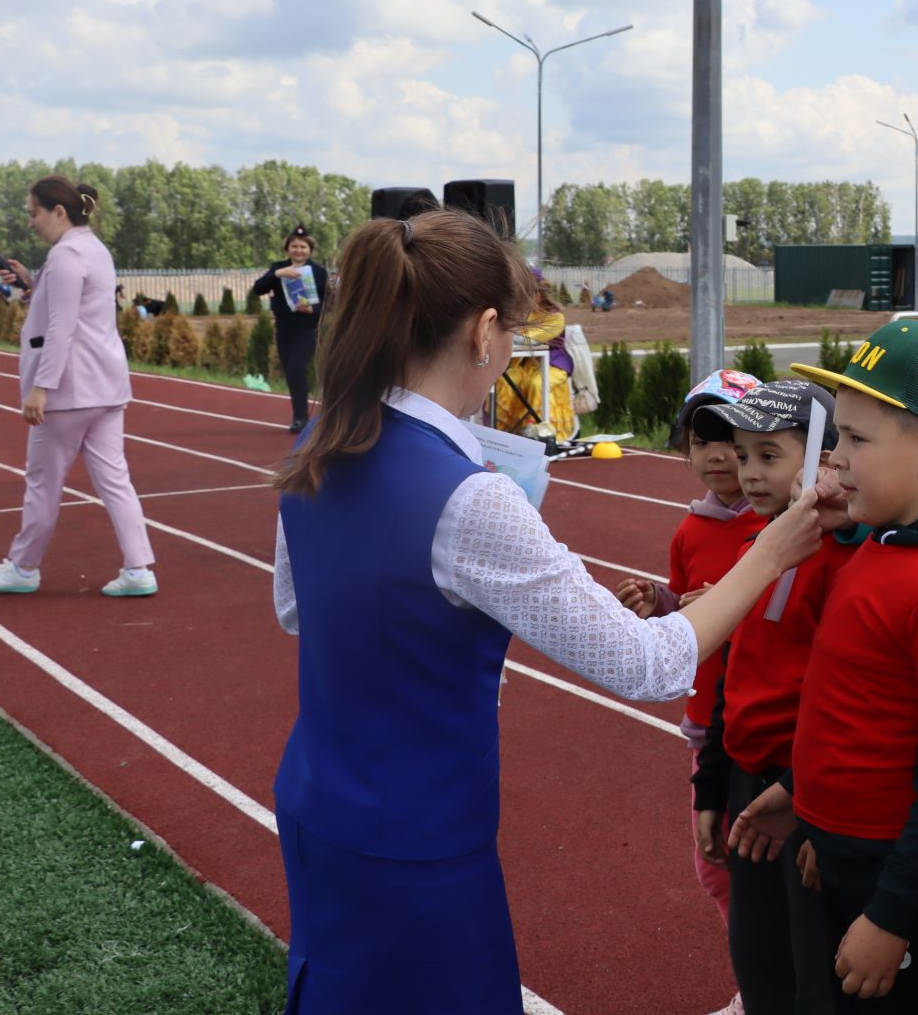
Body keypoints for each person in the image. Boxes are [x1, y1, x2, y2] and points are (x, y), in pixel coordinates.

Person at [268, 209, 825, 1014]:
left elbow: (297, 608)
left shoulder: (320, 441)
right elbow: (648, 662)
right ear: (486, 331)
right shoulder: (468, 497)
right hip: (420, 833)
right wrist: (769, 553)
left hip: (320, 800)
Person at [731, 317, 918, 1013]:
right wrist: (806, 800)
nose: (834, 459)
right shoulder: (879, 547)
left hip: (900, 897)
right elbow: (860, 708)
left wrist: (891, 914)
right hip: (844, 861)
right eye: (837, 435)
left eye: (854, 439)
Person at [689, 379, 855, 1014]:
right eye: (741, 452)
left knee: (815, 973)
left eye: (768, 455)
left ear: (818, 460)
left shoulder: (840, 563)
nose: (746, 471)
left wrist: (807, 797)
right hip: (746, 788)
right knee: (759, 962)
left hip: (807, 795)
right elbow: (733, 675)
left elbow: (843, 698)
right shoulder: (753, 549)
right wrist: (711, 786)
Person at [612, 368, 765, 1015]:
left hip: (760, 724)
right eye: (703, 440)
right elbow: (687, 617)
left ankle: (762, 984)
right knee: (716, 862)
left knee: (756, 863)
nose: (719, 455)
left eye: (734, 439)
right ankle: (757, 979)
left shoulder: (777, 524)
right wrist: (662, 604)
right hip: (707, 721)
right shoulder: (689, 530)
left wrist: (727, 605)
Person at [0, 176, 158, 598]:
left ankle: (23, 567)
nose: (29, 222)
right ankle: (139, 569)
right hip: (106, 386)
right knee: (116, 481)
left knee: (43, 481)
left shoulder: (64, 257)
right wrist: (32, 281)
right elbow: (76, 306)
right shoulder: (93, 250)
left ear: (59, 212)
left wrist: (41, 388)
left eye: (33, 212)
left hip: (68, 391)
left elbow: (62, 326)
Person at [251, 225, 331, 434]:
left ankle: (302, 418)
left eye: (303, 247)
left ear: (310, 250)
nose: (298, 250)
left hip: (308, 329)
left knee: (297, 367)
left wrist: (312, 309)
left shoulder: (319, 273)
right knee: (291, 372)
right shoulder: (278, 268)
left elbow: (331, 304)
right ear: (287, 249)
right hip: (284, 329)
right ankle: (300, 415)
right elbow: (258, 288)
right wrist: (277, 274)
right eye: (294, 246)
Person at [492, 271, 575, 440]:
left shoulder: (555, 317)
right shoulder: (522, 314)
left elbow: (533, 338)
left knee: (537, 384)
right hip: (524, 364)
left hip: (553, 364)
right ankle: (503, 433)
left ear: (538, 293)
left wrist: (504, 335)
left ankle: (542, 434)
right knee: (505, 380)